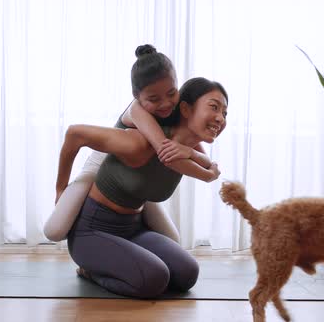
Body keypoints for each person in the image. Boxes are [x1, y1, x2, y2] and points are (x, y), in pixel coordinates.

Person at [56, 77, 229, 298]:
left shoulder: (187, 148)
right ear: (185, 108)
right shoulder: (140, 141)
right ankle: (90, 271)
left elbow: (210, 172)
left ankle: (130, 263)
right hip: (92, 231)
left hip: (133, 229)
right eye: (214, 107)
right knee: (154, 279)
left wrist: (191, 153)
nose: (220, 118)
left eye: (224, 113)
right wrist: (60, 190)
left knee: (187, 274)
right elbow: (75, 134)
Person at [44, 45, 219, 243]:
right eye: (153, 99)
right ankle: (90, 236)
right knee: (54, 231)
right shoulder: (138, 110)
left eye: (171, 93)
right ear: (137, 96)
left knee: (173, 241)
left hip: (138, 177)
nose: (165, 104)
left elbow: (197, 155)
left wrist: (197, 157)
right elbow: (167, 154)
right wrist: (60, 188)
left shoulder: (177, 107)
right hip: (103, 166)